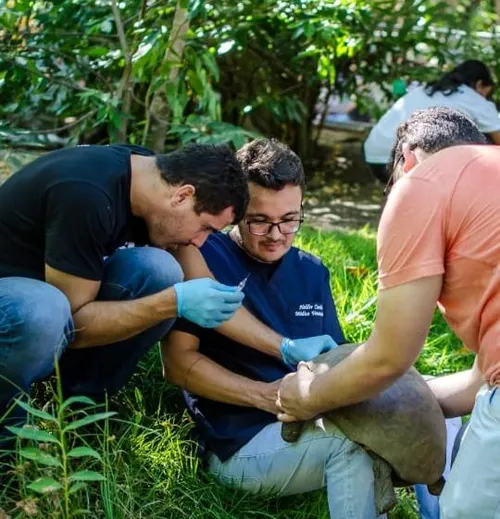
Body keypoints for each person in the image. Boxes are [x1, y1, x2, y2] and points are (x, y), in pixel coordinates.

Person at [162, 138, 448, 519]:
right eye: (260, 221)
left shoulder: (312, 271)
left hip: (313, 421)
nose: (277, 234)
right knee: (350, 445)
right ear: (235, 211)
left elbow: (336, 366)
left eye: (290, 219)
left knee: (434, 407)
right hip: (240, 443)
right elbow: (177, 365)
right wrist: (263, 396)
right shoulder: (202, 252)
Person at [277, 107, 499, 519]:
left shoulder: (421, 183)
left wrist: (308, 397)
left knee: (465, 511)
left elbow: (389, 357)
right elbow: (480, 383)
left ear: (406, 159)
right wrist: (395, 397)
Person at [0, 143, 249, 448]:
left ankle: (80, 409)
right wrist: (171, 303)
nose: (199, 242)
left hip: (51, 296)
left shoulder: (149, 175)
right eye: (205, 228)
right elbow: (72, 326)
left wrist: (284, 346)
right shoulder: (86, 194)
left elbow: (201, 281)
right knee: (44, 311)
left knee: (161, 271)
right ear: (183, 195)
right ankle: (8, 436)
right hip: (16, 299)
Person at [363, 60, 500, 183]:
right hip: (403, 162)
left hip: (374, 156)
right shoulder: (474, 99)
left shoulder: (426, 90)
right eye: (486, 93)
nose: (485, 98)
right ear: (480, 84)